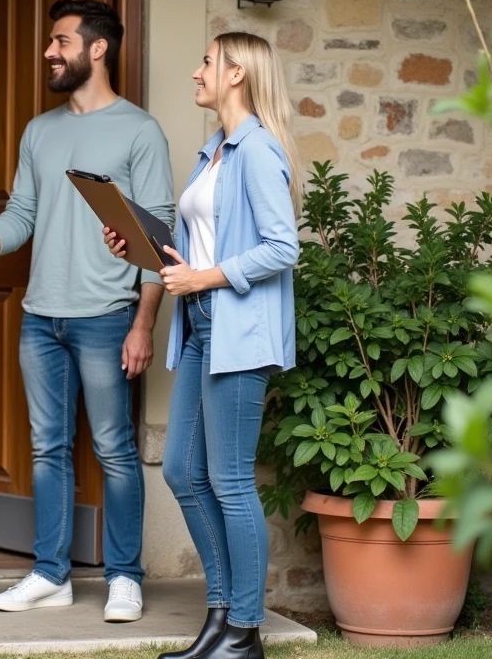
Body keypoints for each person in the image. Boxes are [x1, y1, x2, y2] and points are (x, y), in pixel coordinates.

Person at [0, 0, 174, 622]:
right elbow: (22, 216)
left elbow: (160, 237)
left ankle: (125, 576)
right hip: (41, 316)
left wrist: (143, 322)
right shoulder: (39, 131)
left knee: (114, 449)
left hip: (107, 316)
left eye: (61, 41)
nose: (49, 51)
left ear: (97, 49)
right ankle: (51, 574)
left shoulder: (139, 130)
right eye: (51, 41)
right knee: (47, 448)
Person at [103, 32, 301, 659]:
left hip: (237, 326)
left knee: (231, 480)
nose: (197, 72)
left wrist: (203, 278)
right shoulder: (213, 151)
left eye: (208, 63)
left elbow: (282, 247)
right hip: (200, 324)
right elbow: (202, 245)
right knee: (186, 472)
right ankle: (220, 617)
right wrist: (141, 247)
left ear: (237, 73)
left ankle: (243, 631)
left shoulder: (259, 151)